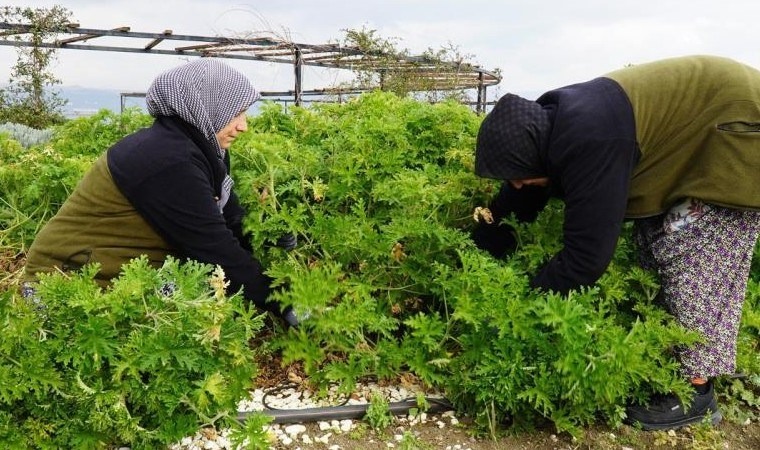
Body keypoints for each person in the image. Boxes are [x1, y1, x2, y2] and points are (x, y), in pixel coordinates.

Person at [471, 55, 760, 430]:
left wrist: (525, 305)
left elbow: (586, 259)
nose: (518, 184)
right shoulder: (546, 125)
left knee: (694, 258)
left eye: (520, 177)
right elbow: (525, 187)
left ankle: (694, 391)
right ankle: (666, 363)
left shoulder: (590, 140)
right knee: (653, 249)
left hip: (733, 131)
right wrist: (491, 228)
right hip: (698, 124)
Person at [23, 58, 299, 326]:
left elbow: (228, 218)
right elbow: (216, 249)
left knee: (206, 288)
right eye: (235, 112)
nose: (243, 125)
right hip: (61, 284)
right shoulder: (168, 160)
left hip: (112, 269)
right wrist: (287, 304)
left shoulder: (199, 149)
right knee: (196, 299)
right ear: (207, 106)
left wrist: (267, 233)